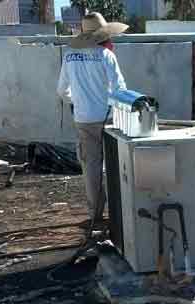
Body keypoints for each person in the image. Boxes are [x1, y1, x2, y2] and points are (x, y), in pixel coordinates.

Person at [57, 12, 129, 222]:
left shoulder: (69, 55)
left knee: (91, 168)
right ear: (103, 34)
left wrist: (76, 101)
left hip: (84, 119)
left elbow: (62, 91)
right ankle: (119, 214)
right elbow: (120, 89)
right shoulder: (106, 55)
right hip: (107, 118)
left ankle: (96, 214)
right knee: (116, 165)